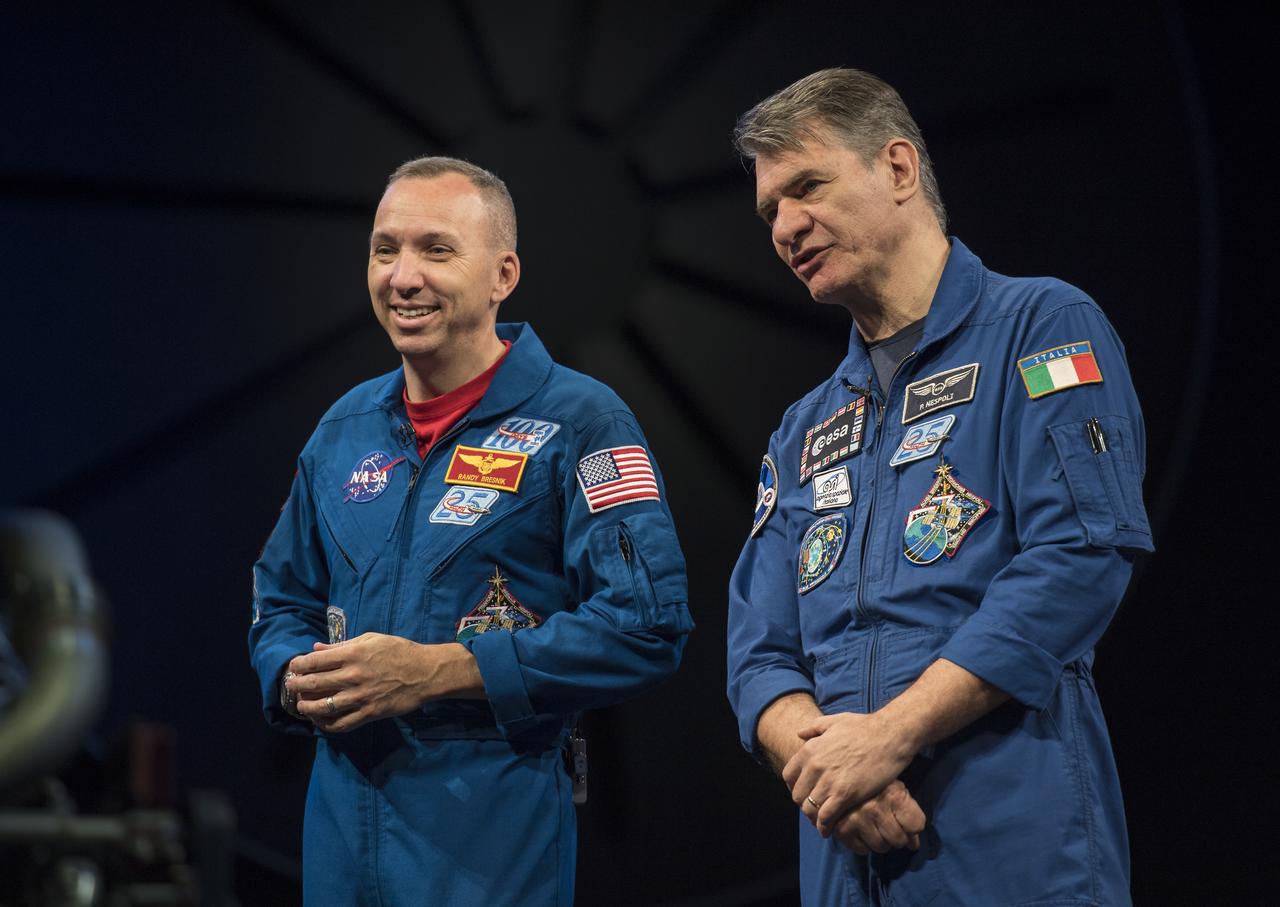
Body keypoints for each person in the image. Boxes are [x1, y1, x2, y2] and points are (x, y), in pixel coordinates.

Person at [726, 68, 1153, 905]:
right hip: (847, 856)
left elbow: (1081, 555)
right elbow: (757, 650)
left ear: (897, 168)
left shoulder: (1041, 325)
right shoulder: (804, 426)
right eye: (769, 209)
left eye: (805, 186)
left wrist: (890, 736)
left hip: (1013, 842)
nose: (785, 226)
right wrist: (829, 771)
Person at [248, 156, 693, 906]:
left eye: (436, 249)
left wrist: (439, 670)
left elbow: (647, 625)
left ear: (503, 274)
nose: (403, 275)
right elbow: (280, 599)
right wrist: (294, 675)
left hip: (492, 837)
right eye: (385, 249)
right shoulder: (344, 429)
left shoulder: (581, 421)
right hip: (338, 840)